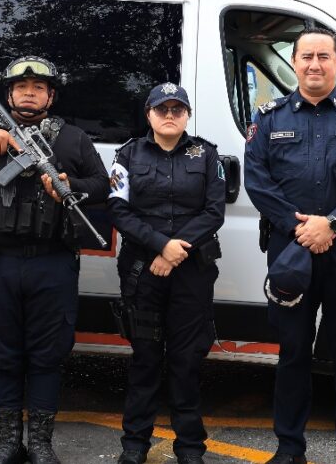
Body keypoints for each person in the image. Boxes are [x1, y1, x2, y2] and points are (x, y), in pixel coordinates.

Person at [0, 55, 108, 464]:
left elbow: (102, 184)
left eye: (38, 88)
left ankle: (42, 445)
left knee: (49, 353)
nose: (29, 93)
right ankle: (8, 443)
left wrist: (71, 184)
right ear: (8, 93)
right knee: (1, 352)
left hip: (53, 261)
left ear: (51, 94)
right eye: (21, 87)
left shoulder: (72, 139)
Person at [244, 26, 336, 464]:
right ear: (294, 63)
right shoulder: (269, 118)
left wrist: (333, 223)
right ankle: (290, 450)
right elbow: (259, 180)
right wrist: (302, 230)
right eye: (306, 56)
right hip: (291, 254)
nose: (314, 64)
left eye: (323, 57)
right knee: (292, 357)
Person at [107, 83, 226, 464]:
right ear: (149, 115)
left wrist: (174, 252)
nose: (170, 115)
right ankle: (134, 445)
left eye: (178, 109)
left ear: (187, 115)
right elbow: (119, 210)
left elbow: (213, 212)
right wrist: (161, 245)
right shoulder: (128, 154)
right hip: (143, 272)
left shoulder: (206, 154)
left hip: (191, 272)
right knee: (144, 359)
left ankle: (190, 448)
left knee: (186, 361)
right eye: (162, 109)